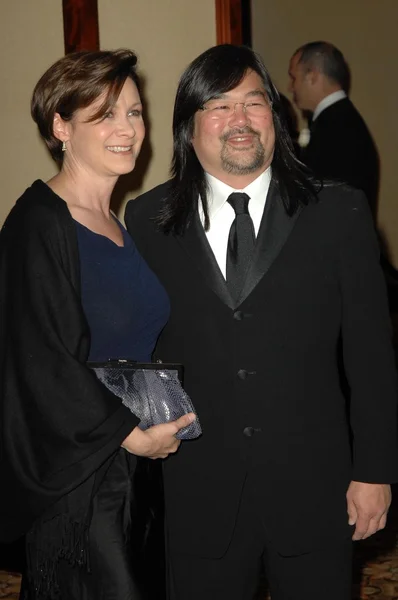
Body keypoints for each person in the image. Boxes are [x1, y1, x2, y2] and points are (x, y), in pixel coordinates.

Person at [125, 44, 398, 600]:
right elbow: (140, 341)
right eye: (219, 106)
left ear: (274, 116)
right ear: (189, 125)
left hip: (316, 490)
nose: (240, 121)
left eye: (254, 103)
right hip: (195, 488)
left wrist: (375, 471)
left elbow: (371, 355)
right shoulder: (148, 220)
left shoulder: (338, 213)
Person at [0, 49, 195, 600]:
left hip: (135, 466)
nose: (127, 129)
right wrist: (132, 436)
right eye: (104, 114)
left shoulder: (118, 221)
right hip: (79, 475)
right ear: (60, 126)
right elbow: (38, 361)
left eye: (134, 112)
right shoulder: (38, 223)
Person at [288, 41, 379, 216]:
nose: (290, 87)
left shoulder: (336, 129)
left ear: (312, 76)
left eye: (293, 78)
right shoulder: (343, 121)